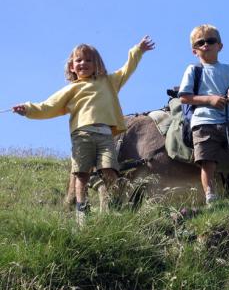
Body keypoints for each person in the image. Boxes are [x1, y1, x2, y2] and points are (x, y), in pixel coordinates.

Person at [13, 36, 155, 225]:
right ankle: (82, 209)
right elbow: (48, 106)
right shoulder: (71, 89)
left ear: (97, 65)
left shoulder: (108, 82)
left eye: (89, 60)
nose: (83, 63)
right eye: (79, 60)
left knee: (109, 170)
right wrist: (28, 109)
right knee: (81, 173)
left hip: (105, 135)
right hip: (82, 135)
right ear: (72, 66)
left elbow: (126, 69)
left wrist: (138, 50)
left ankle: (114, 206)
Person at [178, 24, 229, 205]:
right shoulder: (193, 70)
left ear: (220, 46)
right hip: (203, 120)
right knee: (208, 161)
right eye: (201, 42)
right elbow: (184, 97)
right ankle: (211, 198)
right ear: (194, 50)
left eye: (211, 41)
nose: (206, 44)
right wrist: (210, 100)